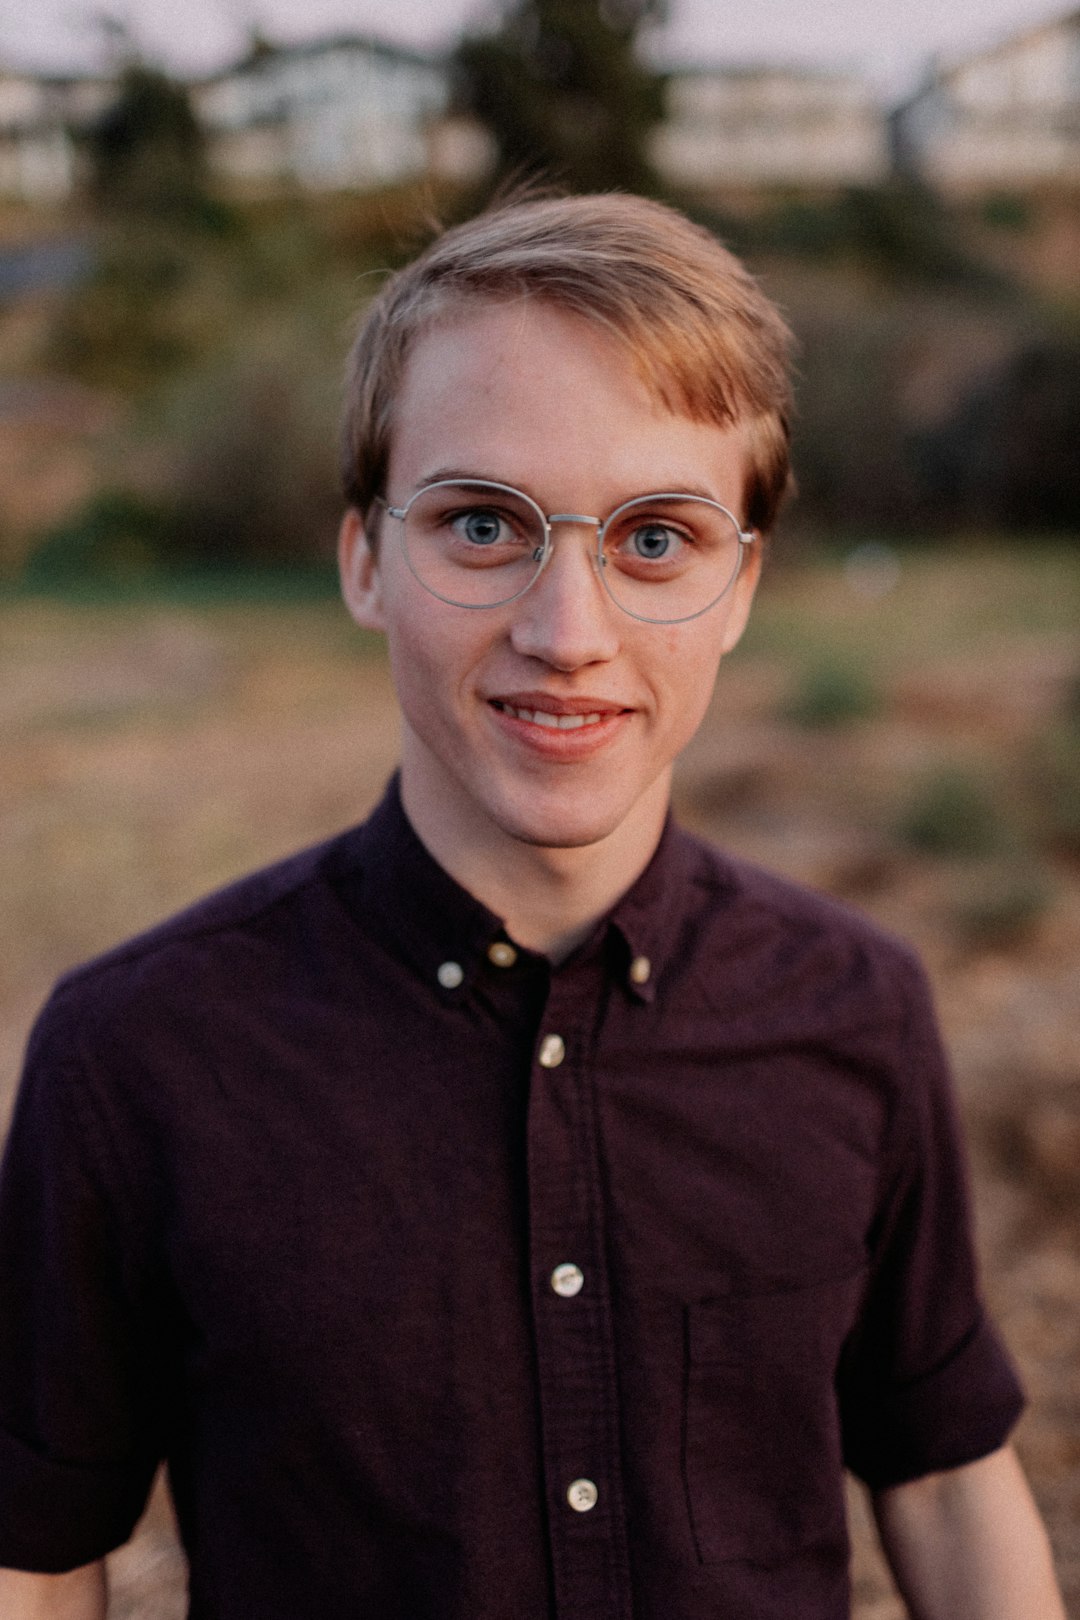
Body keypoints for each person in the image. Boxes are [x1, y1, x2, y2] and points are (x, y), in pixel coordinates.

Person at [0, 193, 1065, 1620]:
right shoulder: (137, 1055)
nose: (569, 636)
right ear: (365, 559)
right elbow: (42, 1548)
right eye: (484, 523)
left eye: (658, 539)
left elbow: (939, 1475)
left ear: (743, 582)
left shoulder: (858, 1009)